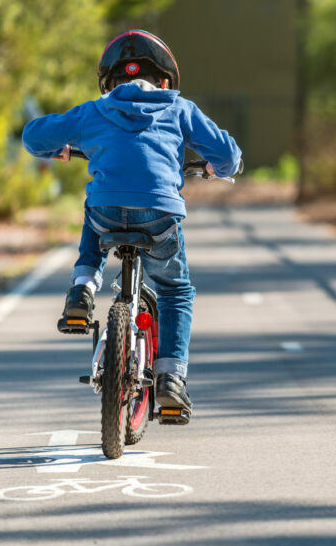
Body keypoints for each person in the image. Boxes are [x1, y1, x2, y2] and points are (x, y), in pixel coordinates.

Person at [22, 29, 242, 418]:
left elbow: (33, 136)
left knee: (96, 206)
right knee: (176, 292)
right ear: (165, 81)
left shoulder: (95, 110)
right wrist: (218, 167)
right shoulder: (179, 108)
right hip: (160, 215)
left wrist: (60, 147)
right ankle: (171, 379)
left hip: (107, 213)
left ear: (111, 83)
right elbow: (227, 153)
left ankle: (82, 287)